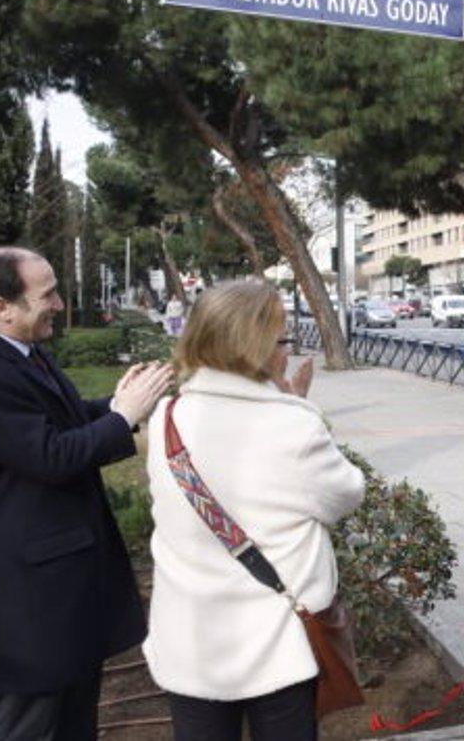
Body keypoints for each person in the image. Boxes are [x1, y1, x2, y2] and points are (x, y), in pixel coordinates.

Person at [0, 247, 174, 739]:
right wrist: (123, 418)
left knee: (72, 718)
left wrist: (117, 402)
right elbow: (49, 457)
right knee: (28, 721)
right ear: (2, 307)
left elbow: (62, 421)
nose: (60, 305)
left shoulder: (17, 352)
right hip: (31, 594)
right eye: (46, 294)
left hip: (59, 582)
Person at [141, 280, 363, 738]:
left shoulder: (167, 417)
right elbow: (346, 495)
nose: (288, 351)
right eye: (283, 339)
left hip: (190, 642)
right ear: (257, 346)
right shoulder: (292, 425)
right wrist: (294, 405)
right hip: (278, 647)